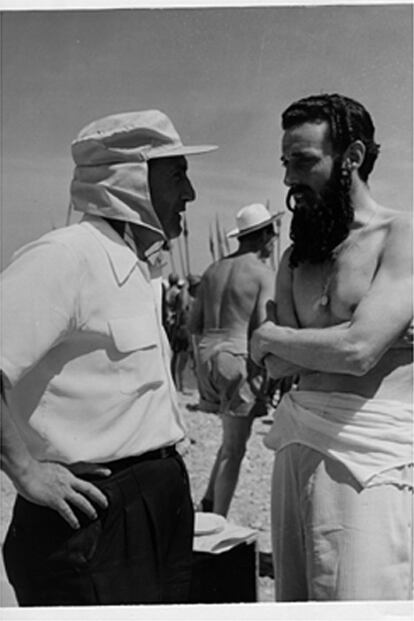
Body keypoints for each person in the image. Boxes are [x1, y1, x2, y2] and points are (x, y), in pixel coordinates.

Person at [0, 110, 217, 606]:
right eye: (178, 175)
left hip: (152, 505)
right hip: (92, 519)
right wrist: (26, 472)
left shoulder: (135, 269)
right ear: (132, 181)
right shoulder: (66, 256)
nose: (190, 194)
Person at [250, 93, 413, 601]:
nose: (289, 180)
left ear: (353, 157)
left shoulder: (399, 234)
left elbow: (359, 350)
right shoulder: (298, 255)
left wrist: (272, 334)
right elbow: (275, 367)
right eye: (285, 163)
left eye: (303, 162)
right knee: (297, 599)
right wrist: (317, 344)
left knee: (364, 597)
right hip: (297, 443)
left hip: (372, 453)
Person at [188, 203, 279, 517]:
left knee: (229, 441)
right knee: (236, 449)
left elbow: (193, 324)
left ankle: (210, 500)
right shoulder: (262, 273)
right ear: (264, 235)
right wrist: (264, 375)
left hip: (206, 355)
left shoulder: (213, 270)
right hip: (237, 355)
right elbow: (261, 329)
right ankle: (218, 521)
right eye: (273, 234)